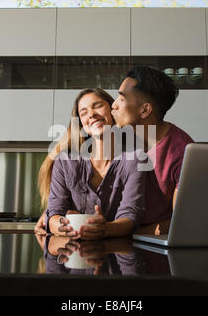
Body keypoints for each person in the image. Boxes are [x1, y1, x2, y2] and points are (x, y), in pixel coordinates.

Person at [36, 88, 146, 240]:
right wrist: (63, 225)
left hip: (117, 257)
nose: (91, 114)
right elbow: (54, 214)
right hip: (71, 255)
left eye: (97, 106)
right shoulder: (65, 162)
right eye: (83, 112)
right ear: (81, 123)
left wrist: (106, 229)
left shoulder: (134, 160)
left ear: (113, 110)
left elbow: (131, 215)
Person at [111, 66, 194, 235]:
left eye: (122, 98)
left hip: (154, 248)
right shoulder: (117, 139)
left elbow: (181, 223)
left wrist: (126, 232)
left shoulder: (183, 152)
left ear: (145, 110)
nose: (114, 105)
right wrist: (51, 218)